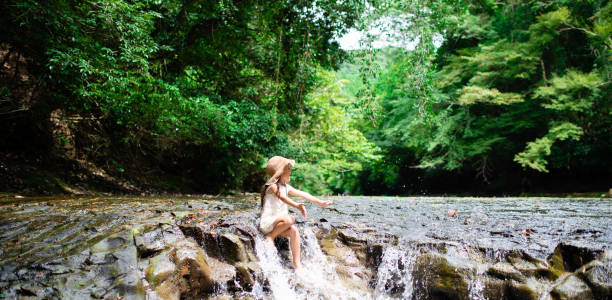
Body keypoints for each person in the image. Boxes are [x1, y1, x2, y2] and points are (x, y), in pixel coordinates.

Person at [259, 156, 332, 269]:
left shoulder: (285, 186)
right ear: (281, 171)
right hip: (269, 224)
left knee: (294, 230)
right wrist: (296, 205)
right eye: (288, 168)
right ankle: (271, 236)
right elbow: (283, 198)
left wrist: (320, 202)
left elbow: (303, 194)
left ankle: (296, 263)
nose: (290, 171)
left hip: (279, 225)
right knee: (290, 219)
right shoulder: (272, 187)